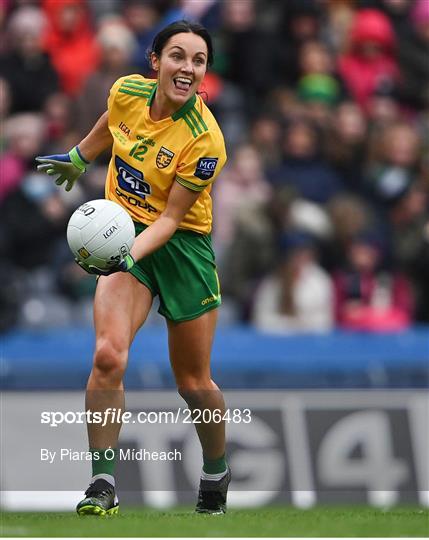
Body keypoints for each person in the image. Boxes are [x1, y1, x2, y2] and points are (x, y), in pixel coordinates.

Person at [36, 20, 230, 516]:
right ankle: (102, 483)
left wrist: (128, 254)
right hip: (124, 233)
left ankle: (215, 469)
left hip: (180, 247)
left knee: (193, 382)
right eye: (178, 56)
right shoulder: (125, 91)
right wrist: (81, 156)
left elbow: (170, 219)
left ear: (204, 72)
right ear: (155, 61)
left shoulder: (204, 140)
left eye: (198, 60)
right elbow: (113, 124)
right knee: (107, 356)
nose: (187, 67)